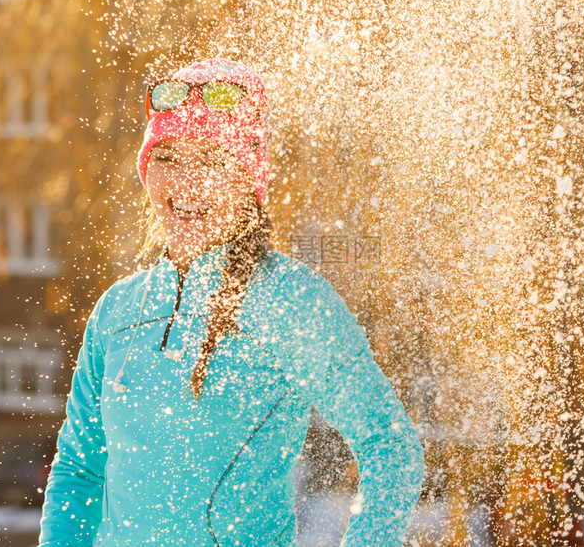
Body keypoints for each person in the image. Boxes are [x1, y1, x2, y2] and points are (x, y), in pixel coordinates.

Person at [37, 59, 424, 547]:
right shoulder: (118, 311)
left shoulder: (290, 302)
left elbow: (390, 447)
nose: (186, 183)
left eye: (213, 162)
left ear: (248, 180)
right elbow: (80, 470)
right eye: (169, 157)